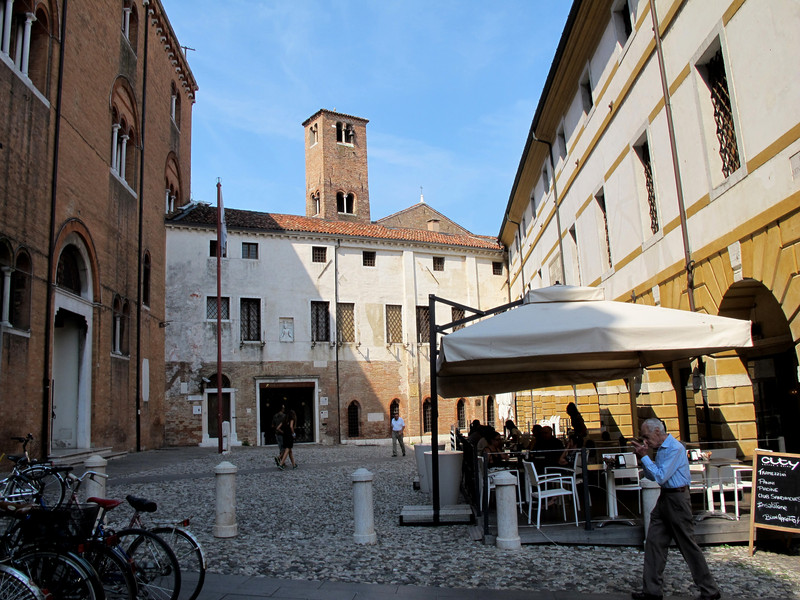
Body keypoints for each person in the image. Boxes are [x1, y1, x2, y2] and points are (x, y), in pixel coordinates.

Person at [630, 418, 721, 600]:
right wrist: (644, 457)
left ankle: (709, 589)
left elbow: (661, 476)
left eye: (646, 436)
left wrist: (645, 457)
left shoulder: (674, 448)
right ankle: (652, 591)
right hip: (665, 497)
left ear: (658, 432)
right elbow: (652, 474)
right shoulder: (660, 448)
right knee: (654, 542)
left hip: (677, 499)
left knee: (687, 545)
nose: (645, 441)